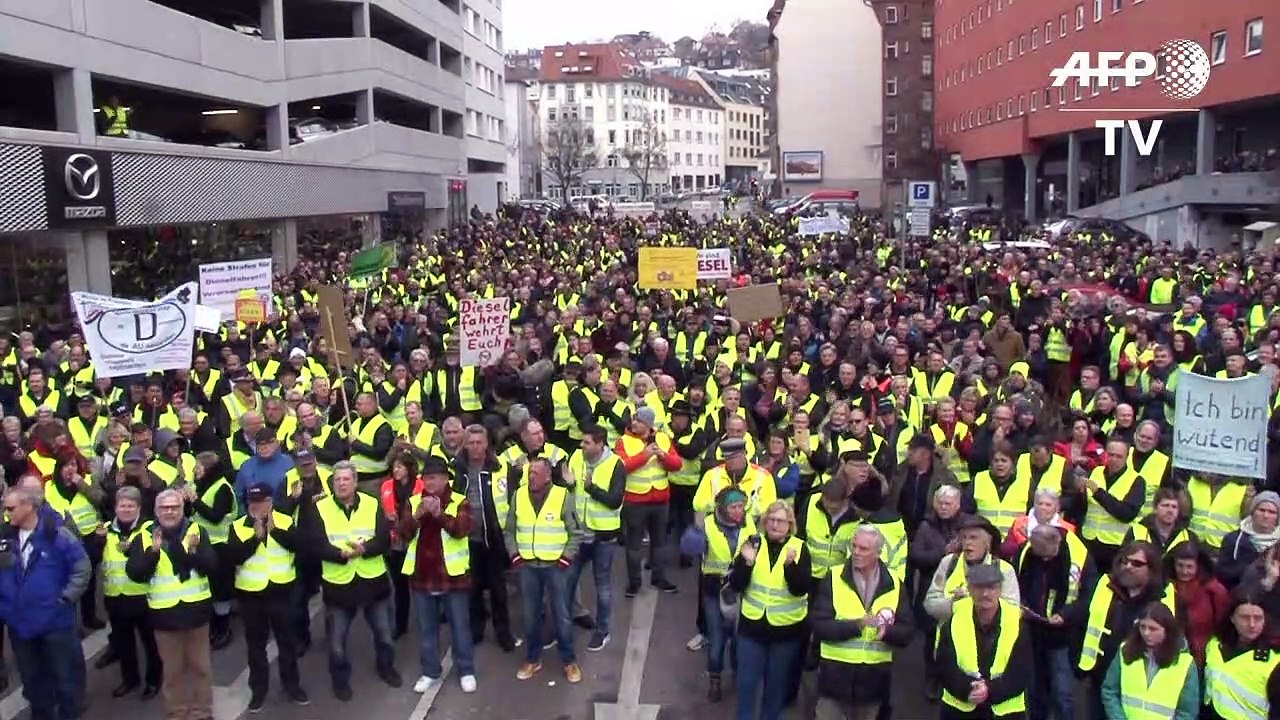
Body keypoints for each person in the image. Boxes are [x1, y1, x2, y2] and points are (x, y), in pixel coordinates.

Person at [302, 460, 402, 700]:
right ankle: (340, 681)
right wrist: (339, 555)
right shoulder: (319, 508)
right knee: (336, 643)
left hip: (372, 580)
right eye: (337, 480)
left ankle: (386, 667)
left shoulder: (372, 504)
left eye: (346, 479)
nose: (342, 483)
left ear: (355, 482)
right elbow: (314, 545)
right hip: (339, 583)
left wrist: (364, 549)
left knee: (384, 634)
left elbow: (383, 540)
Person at [125, 488, 218, 720]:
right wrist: (153, 554)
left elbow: (211, 566)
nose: (170, 512)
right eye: (164, 508)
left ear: (182, 509)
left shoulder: (197, 530)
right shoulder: (145, 536)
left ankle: (201, 712)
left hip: (196, 611)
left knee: (201, 668)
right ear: (156, 511)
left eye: (174, 507)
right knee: (172, 671)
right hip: (164, 614)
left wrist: (191, 553)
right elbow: (135, 573)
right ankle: (176, 713)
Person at [0, 484, 91, 720]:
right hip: (20, 626)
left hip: (55, 625)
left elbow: (82, 569)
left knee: (65, 682)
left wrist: (64, 599)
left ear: (29, 506)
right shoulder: (5, 539)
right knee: (33, 684)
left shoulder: (57, 535)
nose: (6, 513)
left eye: (10, 508)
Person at [810, 525, 914, 720]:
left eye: (864, 549)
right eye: (854, 546)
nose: (856, 552)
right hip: (835, 679)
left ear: (878, 552)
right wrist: (855, 625)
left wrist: (887, 633)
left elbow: (908, 631)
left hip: (873, 682)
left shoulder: (894, 582)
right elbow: (818, 624)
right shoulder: (833, 577)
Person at [225, 481, 309, 711]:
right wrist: (256, 538)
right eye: (253, 502)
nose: (257, 506)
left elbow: (297, 546)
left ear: (270, 502)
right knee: (255, 648)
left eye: (262, 501)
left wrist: (274, 531)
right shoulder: (238, 527)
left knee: (287, 644)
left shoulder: (284, 520)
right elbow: (233, 557)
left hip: (281, 593)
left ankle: (292, 686)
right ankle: (258, 691)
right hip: (251, 596)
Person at [1071, 540, 1176, 720]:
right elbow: (1085, 623)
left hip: (1135, 686)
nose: (1128, 567)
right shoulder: (1106, 584)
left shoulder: (1162, 596)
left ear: (1151, 569)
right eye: (1124, 561)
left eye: (1136, 563)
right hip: (1099, 677)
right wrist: (1078, 662)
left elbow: (1167, 639)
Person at [728, 499, 811, 720]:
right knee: (746, 686)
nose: (775, 525)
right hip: (752, 630)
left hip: (785, 634)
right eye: (772, 520)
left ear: (790, 525)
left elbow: (801, 589)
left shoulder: (800, 549)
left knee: (775, 689)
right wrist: (747, 564)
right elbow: (736, 584)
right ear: (765, 522)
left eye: (781, 521)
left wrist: (791, 567)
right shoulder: (752, 543)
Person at [504, 456, 585, 683]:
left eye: (536, 473)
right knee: (530, 616)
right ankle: (533, 659)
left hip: (556, 567)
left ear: (548, 475)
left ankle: (569, 661)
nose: (531, 477)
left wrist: (566, 558)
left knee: (561, 616)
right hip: (528, 566)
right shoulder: (519, 496)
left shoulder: (562, 496)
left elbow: (576, 532)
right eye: (529, 473)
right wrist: (515, 555)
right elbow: (509, 530)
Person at [400, 456, 477, 694]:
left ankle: (466, 671)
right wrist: (418, 516)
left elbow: (462, 530)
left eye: (434, 478)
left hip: (452, 576)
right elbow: (403, 533)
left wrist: (440, 514)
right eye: (426, 478)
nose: (430, 483)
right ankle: (430, 671)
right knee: (427, 628)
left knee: (460, 626)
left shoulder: (459, 501)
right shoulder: (413, 502)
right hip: (422, 575)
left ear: (445, 479)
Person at [1012, 523, 1093, 720]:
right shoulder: (1026, 553)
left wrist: (1067, 614)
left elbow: (1090, 595)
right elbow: (1013, 584)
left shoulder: (1078, 557)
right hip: (1032, 632)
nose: (1045, 560)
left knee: (1062, 692)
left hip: (1063, 636)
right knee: (1034, 689)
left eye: (1048, 555)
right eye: (1041, 556)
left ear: (1058, 542)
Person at [934, 562, 1031, 719]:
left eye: (991, 588)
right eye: (979, 588)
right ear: (970, 590)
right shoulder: (955, 619)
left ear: (1000, 590)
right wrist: (967, 689)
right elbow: (944, 665)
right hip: (960, 708)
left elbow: (1021, 672)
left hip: (1003, 711)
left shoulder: (1017, 622)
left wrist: (989, 691)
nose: (986, 594)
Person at [450, 424, 515, 651]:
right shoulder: (457, 468)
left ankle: (503, 632)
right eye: (471, 443)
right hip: (468, 540)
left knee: (498, 590)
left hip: (494, 538)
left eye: (479, 442)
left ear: (487, 444)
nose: (475, 447)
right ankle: (476, 629)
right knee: (473, 589)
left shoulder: (501, 467)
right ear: (465, 444)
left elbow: (512, 498)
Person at [564, 424, 626, 652]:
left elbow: (615, 500)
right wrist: (569, 485)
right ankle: (562, 627)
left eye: (587, 442)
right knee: (566, 583)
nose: (582, 445)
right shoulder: (576, 458)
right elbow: (570, 491)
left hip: (603, 536)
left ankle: (603, 631)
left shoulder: (615, 464)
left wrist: (592, 488)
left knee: (603, 587)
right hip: (579, 534)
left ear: (600, 444)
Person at [101, 486, 161, 700]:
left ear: (138, 507)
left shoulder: (148, 530)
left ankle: (153, 681)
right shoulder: (106, 530)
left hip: (142, 597)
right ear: (115, 507)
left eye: (130, 506)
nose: (125, 509)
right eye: (122, 505)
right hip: (115, 597)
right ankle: (130, 679)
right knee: (123, 643)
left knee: (150, 643)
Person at [696, 486, 753, 702]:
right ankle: (715, 680)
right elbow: (690, 548)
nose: (739, 511)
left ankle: (738, 676)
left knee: (739, 638)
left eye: (741, 506)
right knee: (717, 639)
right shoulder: (707, 524)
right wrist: (695, 533)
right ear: (722, 508)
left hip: (740, 589)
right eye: (734, 507)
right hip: (713, 589)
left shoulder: (749, 523)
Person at [1100, 601, 1199, 720]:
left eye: (1153, 629)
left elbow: (1187, 712)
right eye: (1142, 627)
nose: (1146, 633)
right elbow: (1109, 690)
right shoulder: (1125, 651)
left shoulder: (1185, 663)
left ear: (1167, 630)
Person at [1203, 590, 1280, 719]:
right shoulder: (1215, 644)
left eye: (1258, 618)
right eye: (1245, 617)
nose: (1252, 624)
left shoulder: (1275, 660)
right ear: (1232, 618)